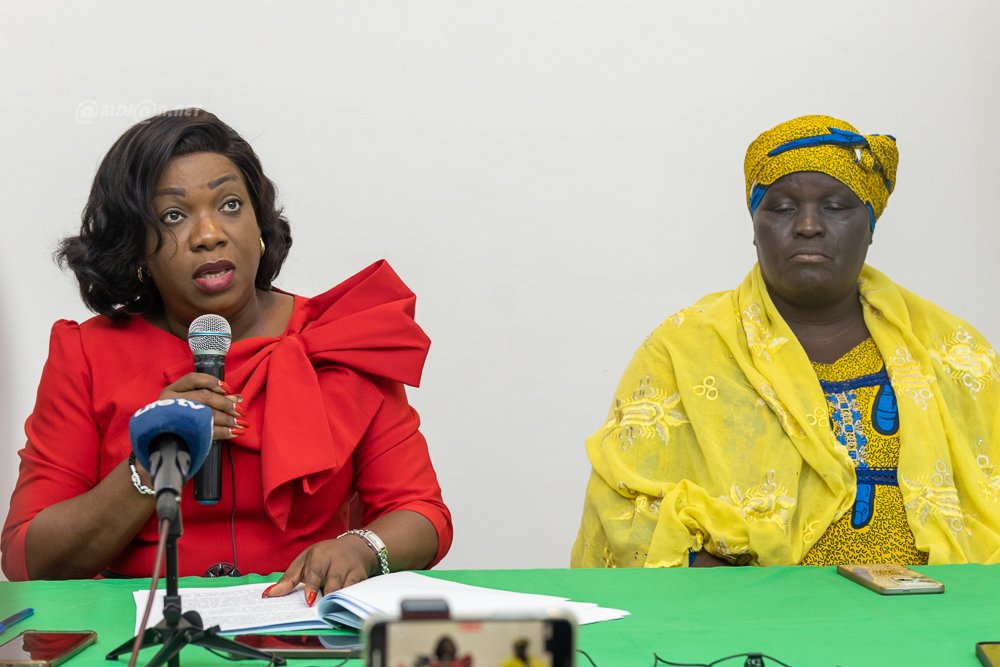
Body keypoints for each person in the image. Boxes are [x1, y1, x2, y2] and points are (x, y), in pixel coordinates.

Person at [1, 109, 452, 602]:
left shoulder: (339, 335)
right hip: (144, 626)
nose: (209, 234)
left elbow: (422, 514)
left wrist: (360, 548)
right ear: (137, 248)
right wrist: (149, 467)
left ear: (260, 223)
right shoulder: (88, 355)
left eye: (231, 204)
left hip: (301, 617)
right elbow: (28, 559)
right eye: (173, 216)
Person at [571, 114, 1000, 569]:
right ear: (755, 226)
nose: (809, 225)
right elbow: (623, 504)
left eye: (835, 206)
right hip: (751, 610)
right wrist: (740, 593)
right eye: (782, 208)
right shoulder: (684, 347)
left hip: (933, 607)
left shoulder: (953, 352)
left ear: (870, 226)